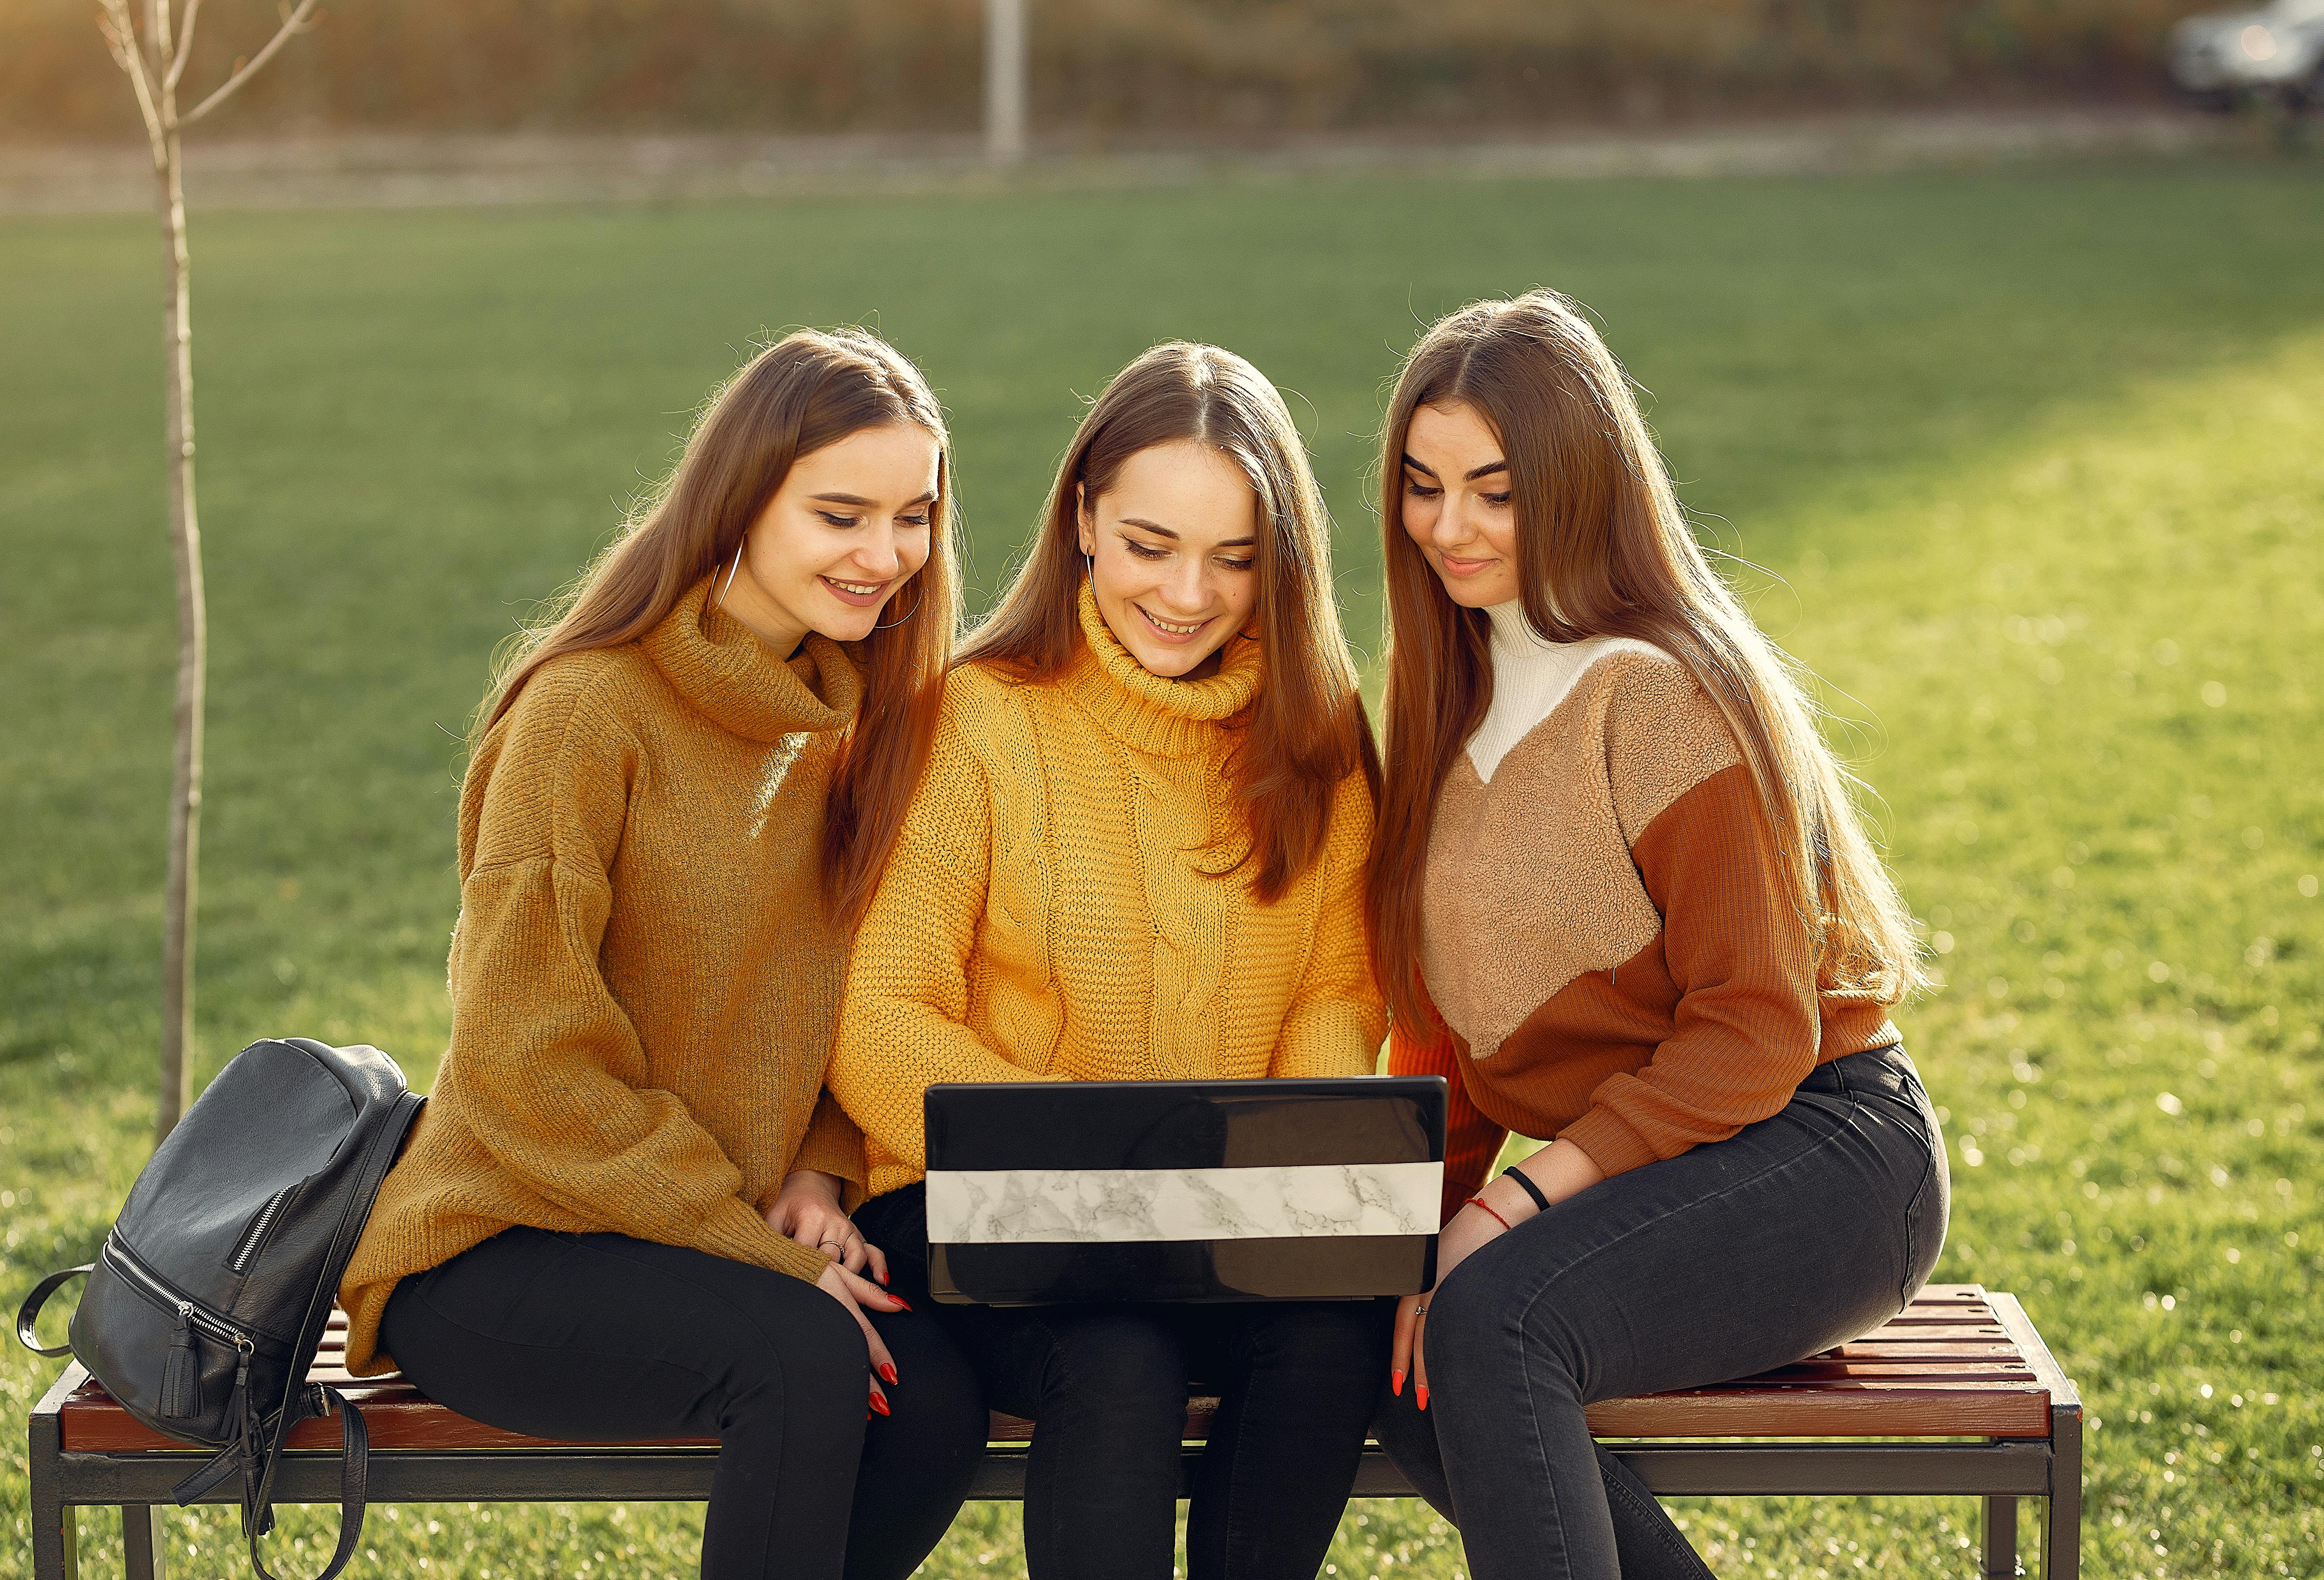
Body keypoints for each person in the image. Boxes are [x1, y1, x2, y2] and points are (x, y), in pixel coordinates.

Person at [338, 328, 987, 1580]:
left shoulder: (852, 725)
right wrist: (753, 1245)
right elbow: (531, 1064)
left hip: (700, 1231)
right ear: (740, 499)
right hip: (503, 1238)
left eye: (912, 517)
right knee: (805, 1359)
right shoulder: (586, 713)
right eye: (840, 513)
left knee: (934, 1400)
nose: (883, 556)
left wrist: (819, 1168)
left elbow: (843, 998)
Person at [1363, 290, 1949, 1580]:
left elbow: (1754, 1029)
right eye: (1421, 486)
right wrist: (1420, 1233)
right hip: (1647, 1170)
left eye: (1493, 491)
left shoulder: (1664, 689)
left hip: (1826, 1151)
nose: (1447, 527)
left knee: (1495, 1321)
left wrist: (1510, 1207)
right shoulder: (1437, 705)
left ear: (1577, 487)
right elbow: (1448, 1043)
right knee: (1390, 1344)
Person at [827, 342, 1389, 1580]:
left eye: (1235, 559)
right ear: (1083, 520)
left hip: (1220, 1215)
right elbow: (879, 1018)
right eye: (1150, 545)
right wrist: (1099, 1155)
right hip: (976, 1205)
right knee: (1120, 1358)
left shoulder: (1322, 740)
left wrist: (1283, 1169)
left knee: (1330, 1345)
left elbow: (1336, 992)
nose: (1188, 592)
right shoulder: (975, 716)